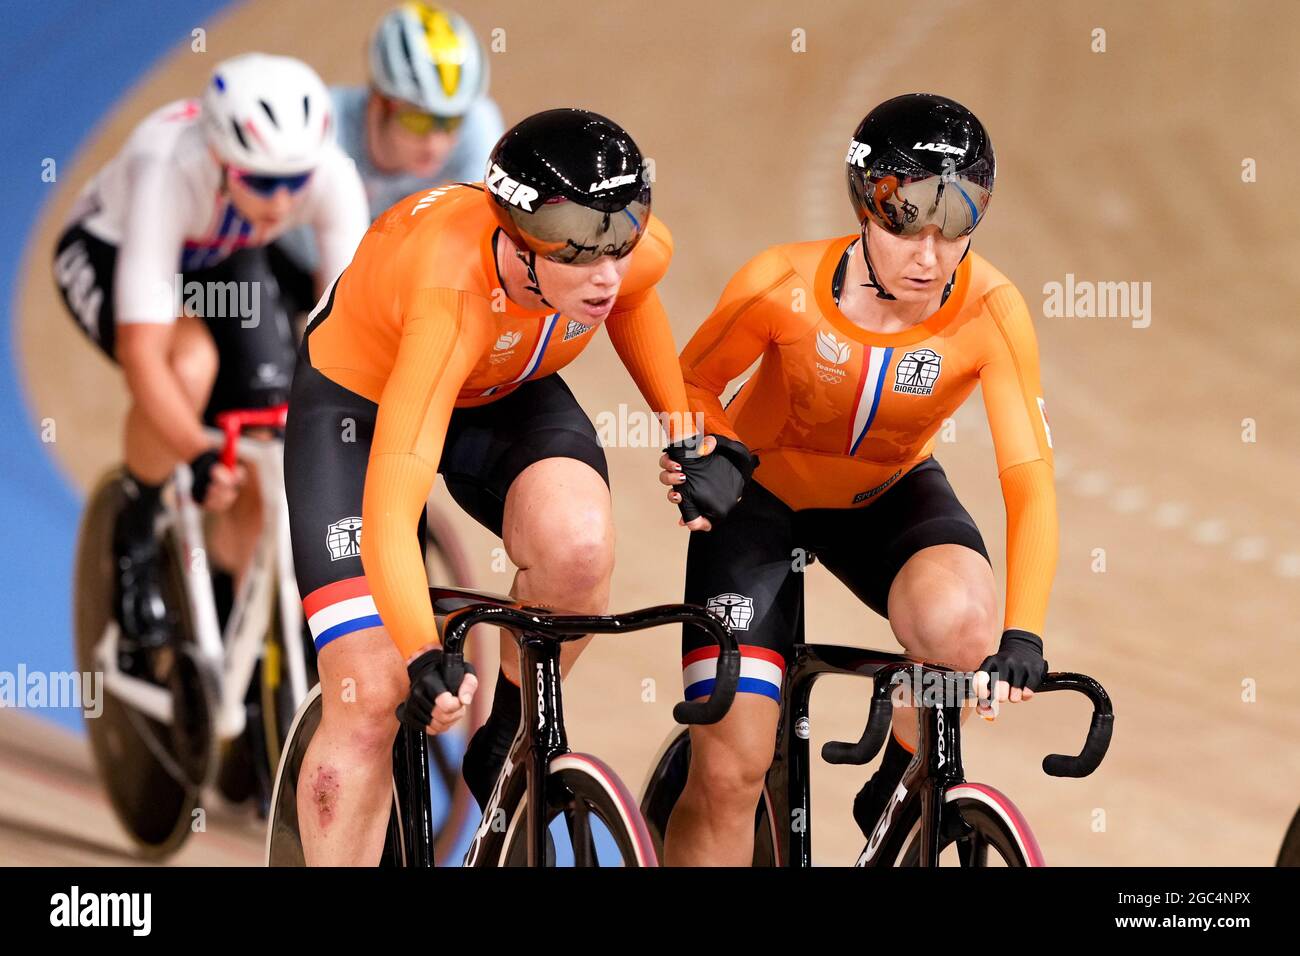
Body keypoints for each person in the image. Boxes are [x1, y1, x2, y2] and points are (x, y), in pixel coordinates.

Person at [283, 108, 748, 866]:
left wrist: (692, 439)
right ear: (518, 240)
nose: (607, 273)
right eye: (582, 252)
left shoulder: (622, 255)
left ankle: (508, 735)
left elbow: (633, 305)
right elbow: (391, 517)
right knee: (367, 695)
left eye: (622, 240)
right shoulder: (449, 296)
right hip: (361, 405)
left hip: (500, 389)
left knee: (579, 548)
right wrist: (418, 650)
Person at [661, 93, 1058, 865]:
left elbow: (1029, 479)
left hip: (888, 495)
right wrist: (710, 449)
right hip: (758, 504)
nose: (930, 255)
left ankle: (899, 777)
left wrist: (1025, 632)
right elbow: (688, 385)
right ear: (866, 203)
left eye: (959, 221)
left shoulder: (992, 310)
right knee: (730, 777)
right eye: (907, 218)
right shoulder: (779, 281)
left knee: (964, 628)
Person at [53, 53, 368, 656]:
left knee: (270, 423)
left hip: (219, 253)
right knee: (188, 366)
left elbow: (345, 327)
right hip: (112, 247)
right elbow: (141, 353)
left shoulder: (329, 175)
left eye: (294, 181)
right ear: (222, 159)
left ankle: (224, 610)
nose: (281, 201)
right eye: (263, 180)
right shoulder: (167, 168)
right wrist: (195, 451)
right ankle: (136, 533)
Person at [272, 2, 503, 282]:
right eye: (418, 120)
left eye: (450, 122)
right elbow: (330, 273)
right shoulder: (324, 133)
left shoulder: (477, 122)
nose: (436, 144)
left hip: (384, 259)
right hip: (295, 256)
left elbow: (477, 239)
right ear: (378, 102)